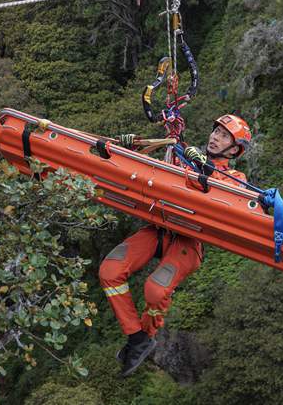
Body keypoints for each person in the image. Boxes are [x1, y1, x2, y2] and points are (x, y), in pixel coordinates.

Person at [98, 114, 252, 377]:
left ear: (234, 150)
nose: (215, 137)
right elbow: (151, 171)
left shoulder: (235, 177)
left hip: (189, 241)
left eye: (224, 136)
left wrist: (205, 169)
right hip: (159, 229)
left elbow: (230, 195)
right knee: (109, 271)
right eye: (216, 131)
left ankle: (147, 333)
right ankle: (137, 338)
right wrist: (126, 149)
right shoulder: (184, 159)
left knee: (155, 290)